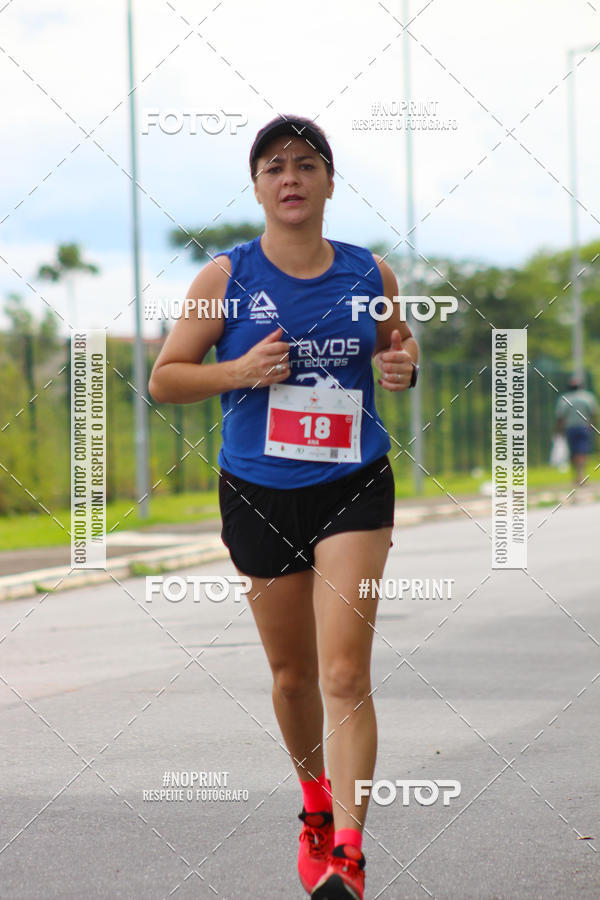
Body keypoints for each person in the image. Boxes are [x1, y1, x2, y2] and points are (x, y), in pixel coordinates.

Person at [149, 115, 419, 900]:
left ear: (330, 182)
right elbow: (167, 377)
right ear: (259, 186)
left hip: (352, 485)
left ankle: (349, 854)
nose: (290, 177)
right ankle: (313, 805)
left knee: (343, 670)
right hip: (259, 492)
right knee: (294, 676)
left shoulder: (372, 274)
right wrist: (238, 371)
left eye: (305, 164)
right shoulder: (225, 279)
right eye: (273, 167)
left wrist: (400, 369)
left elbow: (395, 352)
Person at [554, 376, 597, 486]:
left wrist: (558, 431)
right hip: (584, 427)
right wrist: (593, 426)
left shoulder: (564, 398)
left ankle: (577, 477)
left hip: (570, 428)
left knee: (573, 452)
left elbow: (560, 417)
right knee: (582, 451)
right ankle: (581, 475)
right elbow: (593, 414)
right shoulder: (588, 397)